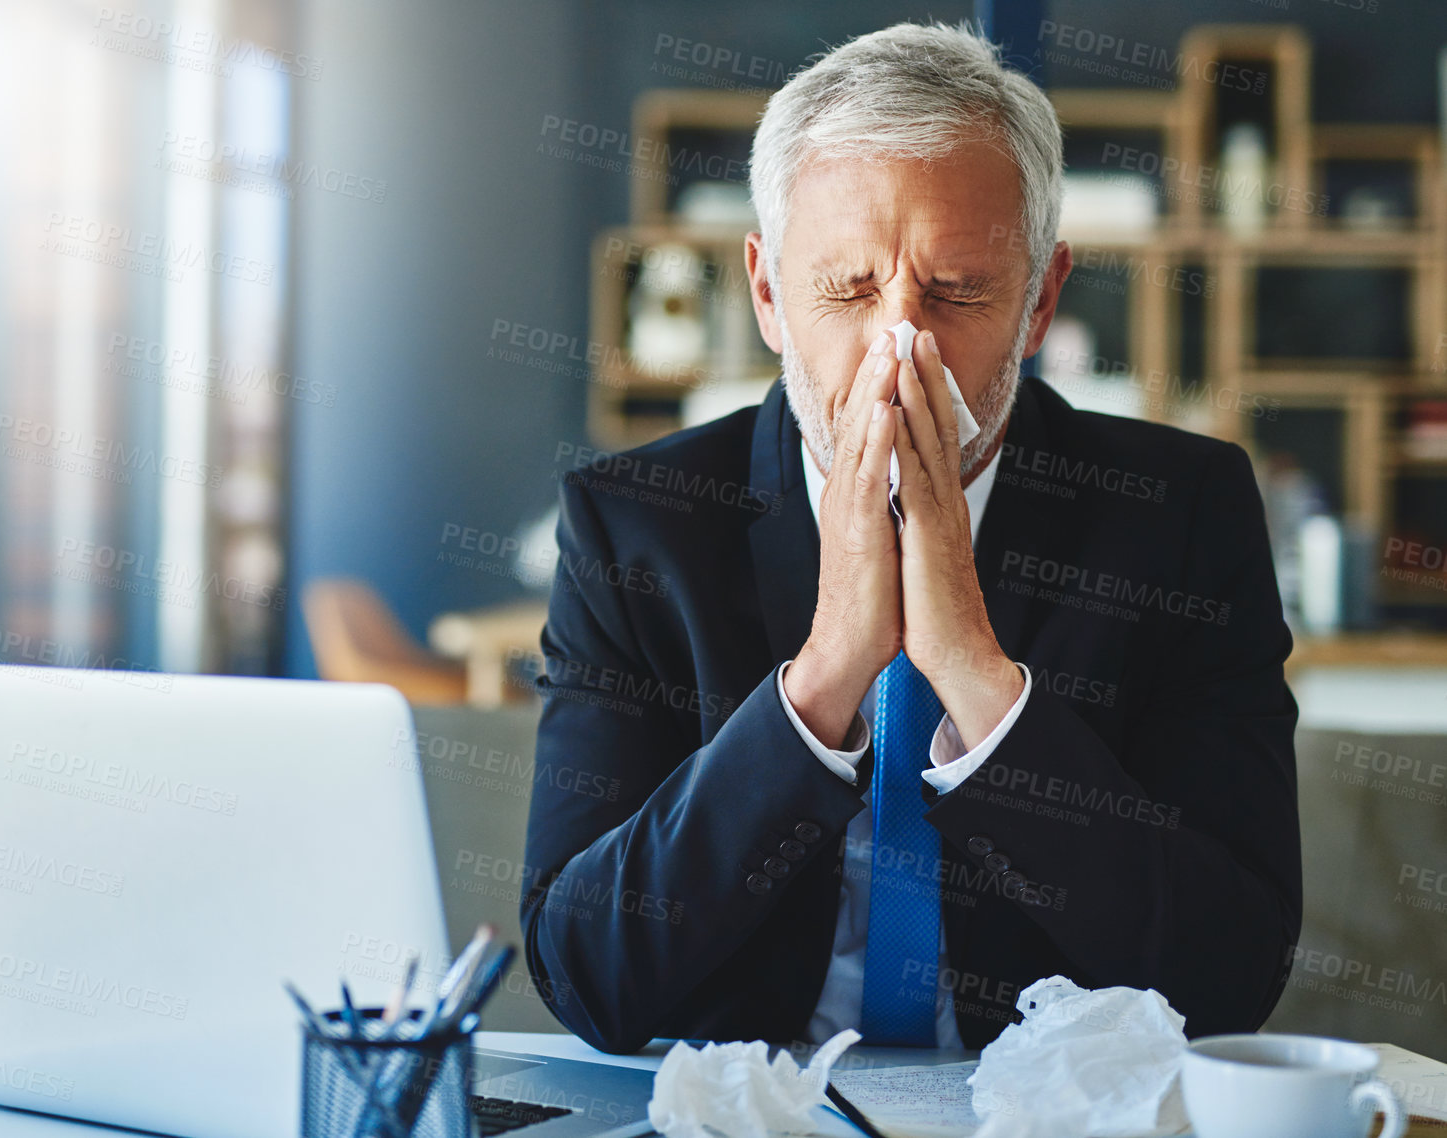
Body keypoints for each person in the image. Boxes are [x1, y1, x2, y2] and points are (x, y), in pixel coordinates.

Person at [520, 21, 1301, 1054]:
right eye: (846, 291)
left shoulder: (1182, 514)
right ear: (766, 293)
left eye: (960, 291)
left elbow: (1228, 975)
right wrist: (825, 675)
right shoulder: (635, 525)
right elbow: (588, 977)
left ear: (1040, 301)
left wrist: (979, 680)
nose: (901, 343)